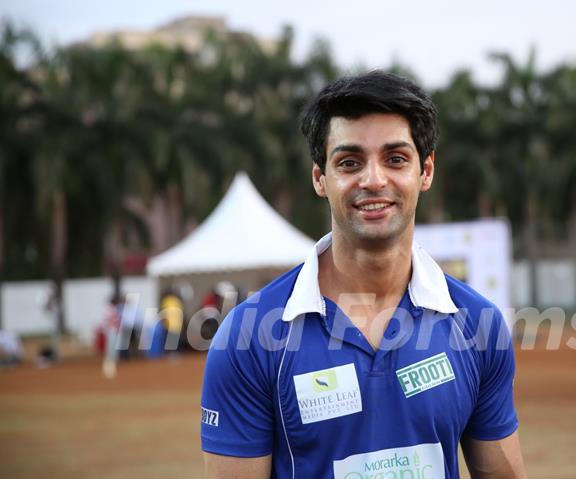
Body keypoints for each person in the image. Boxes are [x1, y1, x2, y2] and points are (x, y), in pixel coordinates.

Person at [201, 71, 526, 478]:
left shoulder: (478, 324)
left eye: (395, 159)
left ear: (425, 172)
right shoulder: (247, 338)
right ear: (321, 178)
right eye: (350, 162)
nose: (373, 180)